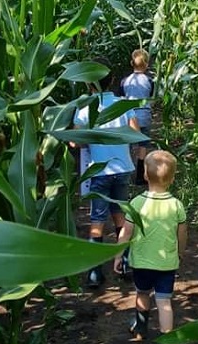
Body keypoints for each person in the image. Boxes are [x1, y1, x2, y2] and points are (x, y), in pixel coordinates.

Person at [112, 150, 188, 344]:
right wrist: (180, 253)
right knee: (164, 303)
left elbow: (125, 233)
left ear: (144, 175)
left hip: (142, 263)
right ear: (172, 179)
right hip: (167, 264)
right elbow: (182, 235)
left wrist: (118, 254)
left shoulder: (136, 203)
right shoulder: (176, 205)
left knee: (142, 293)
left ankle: (141, 328)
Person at [73, 57, 140, 288]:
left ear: (89, 84)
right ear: (112, 80)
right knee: (120, 216)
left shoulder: (84, 109)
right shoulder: (122, 104)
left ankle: (94, 273)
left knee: (97, 220)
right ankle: (125, 263)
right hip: (122, 169)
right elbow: (135, 133)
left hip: (100, 171)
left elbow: (76, 142)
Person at [120, 49, 154, 185]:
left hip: (130, 116)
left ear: (131, 63)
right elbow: (150, 95)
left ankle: (126, 175)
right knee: (143, 146)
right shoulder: (149, 80)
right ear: (146, 65)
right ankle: (140, 176)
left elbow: (122, 96)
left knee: (127, 145)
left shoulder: (125, 81)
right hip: (144, 115)